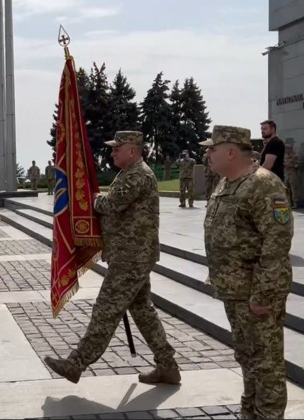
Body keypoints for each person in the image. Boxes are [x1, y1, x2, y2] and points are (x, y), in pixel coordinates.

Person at [43, 131, 180, 386]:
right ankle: (167, 366)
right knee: (142, 311)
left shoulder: (139, 174)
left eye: (118, 147)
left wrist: (92, 199)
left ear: (133, 149)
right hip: (129, 255)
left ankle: (76, 364)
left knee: (106, 309)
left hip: (132, 258)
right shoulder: (127, 173)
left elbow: (111, 205)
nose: (113, 151)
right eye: (113, 147)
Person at [201, 125, 293, 419]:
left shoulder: (264, 185)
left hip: (257, 293)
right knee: (247, 357)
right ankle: (250, 412)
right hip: (235, 290)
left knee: (266, 364)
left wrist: (263, 294)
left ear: (230, 151)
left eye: (212, 148)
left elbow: (277, 243)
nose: (208, 154)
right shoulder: (226, 183)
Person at [284, 139, 299, 208]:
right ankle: (289, 203)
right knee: (286, 189)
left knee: (293, 189)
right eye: (286, 148)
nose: (286, 150)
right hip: (286, 173)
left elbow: (298, 164)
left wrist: (291, 165)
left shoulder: (296, 155)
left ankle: (295, 203)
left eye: (288, 148)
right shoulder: (285, 155)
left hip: (293, 173)